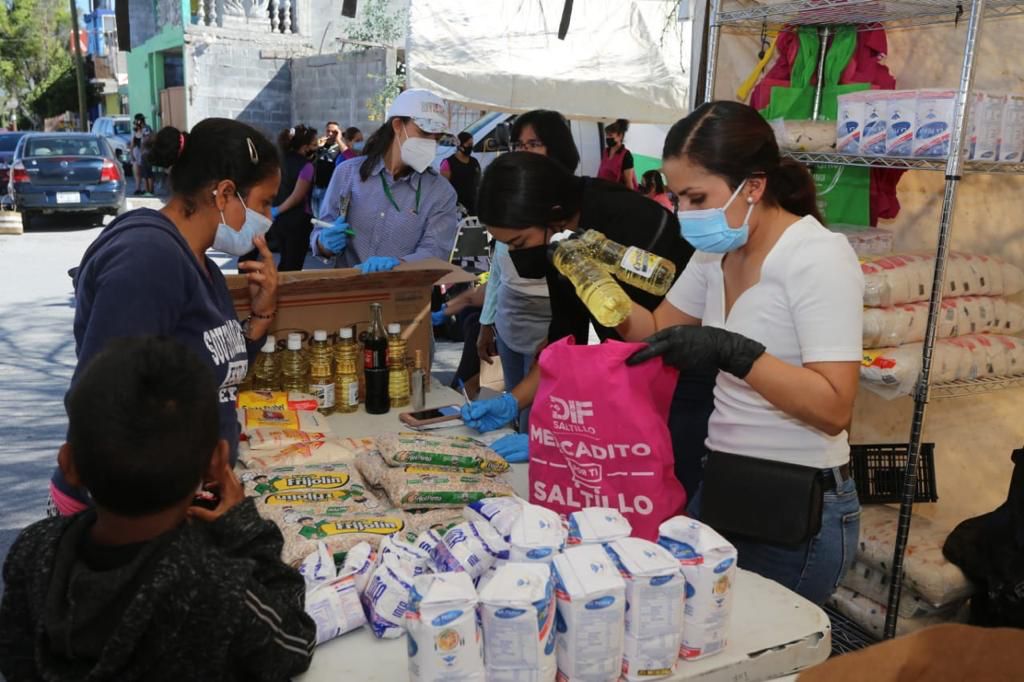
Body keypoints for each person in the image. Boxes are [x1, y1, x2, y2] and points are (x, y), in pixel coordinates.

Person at [622, 101, 863, 604]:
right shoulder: (716, 252)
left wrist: (735, 352)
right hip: (725, 484)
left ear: (753, 186)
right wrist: (601, 292)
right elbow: (658, 332)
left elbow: (833, 408)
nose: (684, 213)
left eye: (696, 197)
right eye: (677, 198)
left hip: (795, 504)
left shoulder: (817, 257)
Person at [0, 337, 316, 680]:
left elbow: (15, 663)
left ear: (68, 464)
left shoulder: (32, 552)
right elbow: (294, 641)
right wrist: (245, 530)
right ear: (216, 463)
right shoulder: (218, 586)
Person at [49, 117, 280, 516]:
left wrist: (260, 314)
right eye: (263, 203)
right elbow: (107, 404)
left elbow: (210, 367)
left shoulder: (199, 263)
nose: (269, 217)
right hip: (132, 514)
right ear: (225, 193)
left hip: (180, 498)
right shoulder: (149, 258)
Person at [463, 151, 696, 463]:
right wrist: (512, 400)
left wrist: (573, 435)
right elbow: (566, 337)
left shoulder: (629, 226)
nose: (518, 256)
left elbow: (631, 348)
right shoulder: (559, 236)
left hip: (678, 379)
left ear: (554, 214)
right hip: (630, 368)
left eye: (519, 243)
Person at [477, 110, 577, 432]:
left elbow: (573, 323)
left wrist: (552, 340)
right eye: (519, 145)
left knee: (543, 414)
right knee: (519, 403)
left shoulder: (573, 228)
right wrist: (487, 321)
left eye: (534, 143)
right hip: (512, 323)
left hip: (552, 328)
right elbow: (498, 272)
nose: (525, 152)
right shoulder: (513, 203)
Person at [311, 89, 458, 274]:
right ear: (397, 125)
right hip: (347, 294)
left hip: (402, 297)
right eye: (424, 132)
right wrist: (324, 243)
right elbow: (322, 231)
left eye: (437, 138)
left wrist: (399, 264)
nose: (431, 143)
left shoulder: (440, 192)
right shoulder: (348, 174)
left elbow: (435, 251)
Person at [271, 124, 317, 272]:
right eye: (314, 143)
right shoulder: (306, 166)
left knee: (284, 261)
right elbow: (297, 196)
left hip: (279, 220)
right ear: (305, 146)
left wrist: (275, 211)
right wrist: (278, 210)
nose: (316, 146)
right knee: (293, 265)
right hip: (298, 221)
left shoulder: (278, 161)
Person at [440, 132, 481, 214]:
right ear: (460, 145)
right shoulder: (448, 163)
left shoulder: (474, 162)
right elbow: (443, 188)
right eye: (468, 144)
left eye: (472, 144)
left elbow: (478, 183)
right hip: (456, 207)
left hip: (473, 206)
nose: (470, 147)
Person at [311, 121, 342, 217]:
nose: (330, 134)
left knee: (324, 218)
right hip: (316, 187)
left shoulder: (339, 149)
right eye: (328, 131)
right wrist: (317, 148)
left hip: (328, 189)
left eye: (334, 132)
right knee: (315, 218)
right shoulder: (321, 146)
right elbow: (311, 162)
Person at [598, 118, 636, 190]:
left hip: (618, 194)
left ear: (620, 136)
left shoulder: (626, 155)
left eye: (610, 136)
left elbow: (629, 183)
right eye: (607, 136)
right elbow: (601, 172)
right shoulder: (606, 151)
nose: (608, 138)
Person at [131, 114, 153, 196]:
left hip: (145, 153)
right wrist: (131, 154)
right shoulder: (135, 130)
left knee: (147, 173)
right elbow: (132, 143)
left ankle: (149, 190)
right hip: (137, 154)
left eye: (137, 121)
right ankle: (138, 188)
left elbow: (147, 140)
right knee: (138, 172)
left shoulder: (147, 129)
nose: (136, 123)